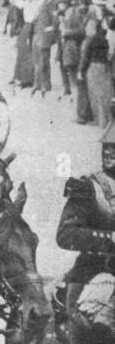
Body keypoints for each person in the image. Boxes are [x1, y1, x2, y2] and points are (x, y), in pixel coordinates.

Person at [56, 122, 115, 323]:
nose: (108, 152)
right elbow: (65, 235)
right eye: (106, 147)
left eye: (114, 148)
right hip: (97, 271)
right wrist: (110, 238)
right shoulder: (88, 187)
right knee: (86, 328)